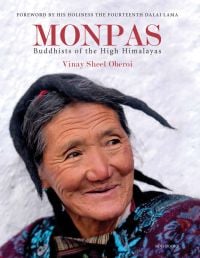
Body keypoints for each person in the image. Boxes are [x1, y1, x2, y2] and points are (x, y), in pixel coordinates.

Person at [0, 74, 199, 258]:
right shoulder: (28, 248)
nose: (102, 171)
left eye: (113, 142)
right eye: (74, 154)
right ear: (40, 173)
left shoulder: (187, 227)